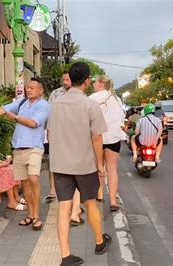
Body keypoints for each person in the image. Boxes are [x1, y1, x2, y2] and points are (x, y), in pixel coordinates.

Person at [48, 62, 112, 266]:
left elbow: (50, 133)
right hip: (84, 165)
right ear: (87, 81)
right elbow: (96, 138)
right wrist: (100, 165)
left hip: (60, 165)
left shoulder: (56, 104)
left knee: (64, 208)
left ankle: (66, 255)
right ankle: (100, 242)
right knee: (90, 203)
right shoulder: (90, 105)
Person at [0, 77, 49, 231]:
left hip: (34, 148)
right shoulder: (22, 102)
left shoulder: (44, 105)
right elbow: (4, 109)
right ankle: (30, 214)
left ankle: (36, 216)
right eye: (28, 87)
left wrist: (16, 117)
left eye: (32, 87)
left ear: (41, 90)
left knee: (33, 178)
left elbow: (33, 123)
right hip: (18, 148)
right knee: (25, 183)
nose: (28, 90)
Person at [47, 71, 84, 226]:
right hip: (59, 136)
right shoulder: (56, 94)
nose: (65, 82)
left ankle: (73, 210)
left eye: (67, 79)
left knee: (74, 173)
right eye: (63, 79)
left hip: (75, 138)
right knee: (58, 168)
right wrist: (49, 133)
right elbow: (50, 114)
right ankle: (55, 192)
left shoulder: (81, 95)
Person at [89, 75, 125, 212]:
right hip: (114, 138)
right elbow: (122, 117)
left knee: (99, 167)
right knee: (112, 169)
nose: (93, 84)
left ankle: (99, 194)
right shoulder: (117, 99)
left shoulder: (93, 98)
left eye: (95, 82)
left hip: (98, 137)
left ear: (100, 84)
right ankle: (113, 200)